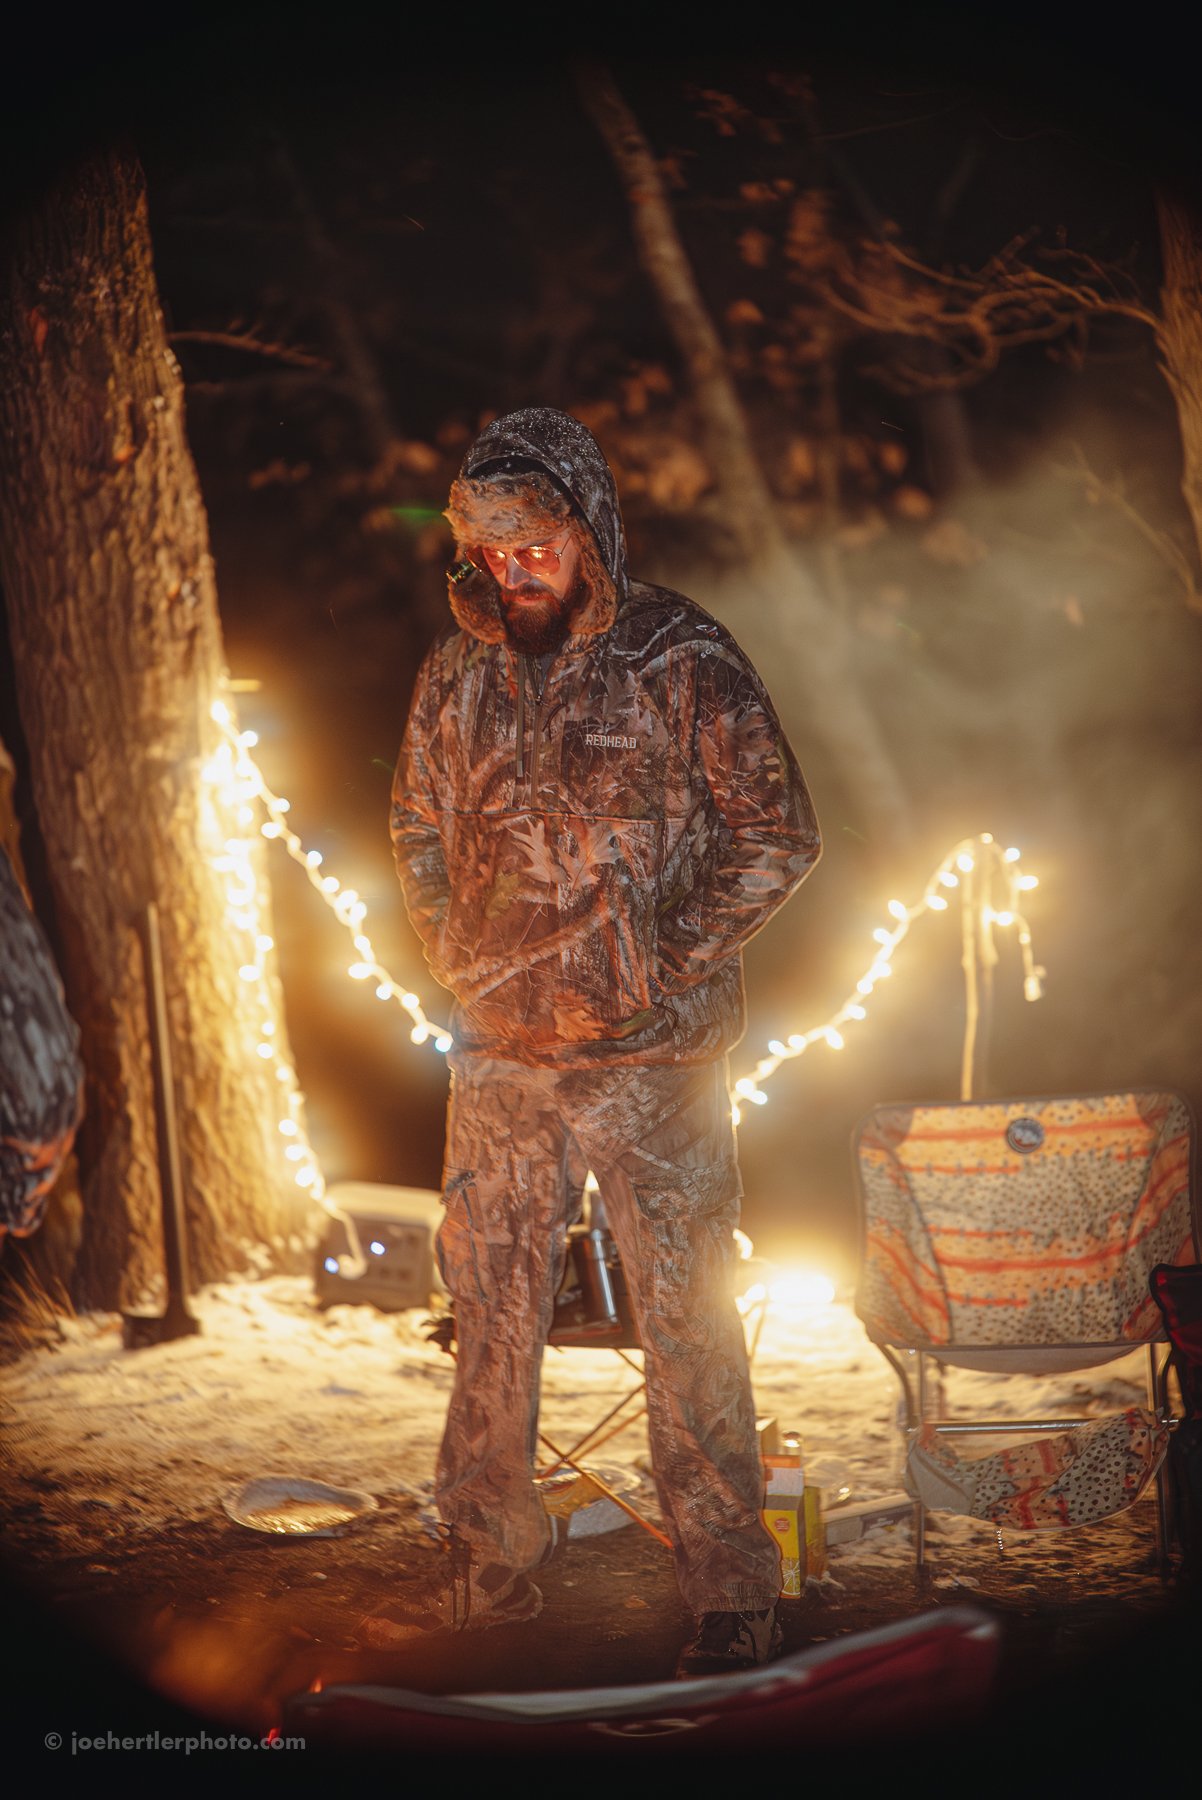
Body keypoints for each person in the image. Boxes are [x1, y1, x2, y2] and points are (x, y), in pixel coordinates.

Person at [386, 406, 821, 1677]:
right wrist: (455, 953)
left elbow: (777, 834)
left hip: (653, 1066)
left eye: (534, 546)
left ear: (588, 532)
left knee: (686, 1317)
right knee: (490, 1312)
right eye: (490, 551)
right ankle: (484, 1564)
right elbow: (413, 825)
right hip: (499, 1064)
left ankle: (730, 1590)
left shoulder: (680, 655)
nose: (512, 571)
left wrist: (652, 966)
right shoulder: (455, 673)